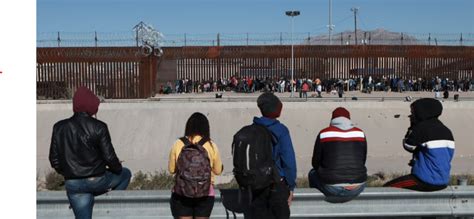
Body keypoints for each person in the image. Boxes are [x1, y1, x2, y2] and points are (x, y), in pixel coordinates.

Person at [49, 86, 131, 219]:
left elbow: (54, 160)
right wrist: (117, 168)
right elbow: (110, 158)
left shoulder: (59, 127)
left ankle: (89, 198)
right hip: (97, 181)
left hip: (73, 184)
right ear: (91, 105)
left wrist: (69, 174)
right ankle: (108, 208)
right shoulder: (99, 127)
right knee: (126, 174)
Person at [384, 98, 455, 191]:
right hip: (443, 181)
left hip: (424, 180)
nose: (412, 115)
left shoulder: (421, 128)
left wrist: (412, 127)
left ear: (421, 112)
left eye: (413, 112)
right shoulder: (446, 130)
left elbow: (408, 145)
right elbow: (440, 155)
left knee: (387, 189)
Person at [247, 92, 297, 219]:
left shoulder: (252, 129)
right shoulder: (281, 130)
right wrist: (291, 186)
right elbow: (289, 162)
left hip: (257, 186)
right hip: (277, 185)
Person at [168, 112, 223, 219]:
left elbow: (171, 170)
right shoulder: (211, 145)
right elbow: (218, 171)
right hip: (205, 193)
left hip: (182, 193)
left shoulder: (178, 143)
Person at [308, 107, 367, 203]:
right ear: (349, 119)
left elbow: (315, 162)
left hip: (332, 187)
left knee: (312, 174)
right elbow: (363, 160)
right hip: (358, 185)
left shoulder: (324, 133)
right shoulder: (360, 133)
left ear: (332, 119)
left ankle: (316, 205)